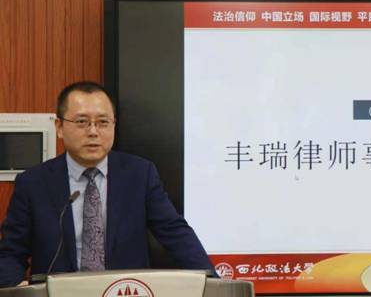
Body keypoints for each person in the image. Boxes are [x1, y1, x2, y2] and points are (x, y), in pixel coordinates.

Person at [0, 81, 214, 287]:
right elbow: (11, 251)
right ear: (59, 127)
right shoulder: (33, 183)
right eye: (82, 122)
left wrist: (213, 283)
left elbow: (175, 233)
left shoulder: (139, 174)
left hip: (126, 292)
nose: (93, 132)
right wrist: (15, 286)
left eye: (103, 122)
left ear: (114, 125)